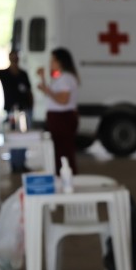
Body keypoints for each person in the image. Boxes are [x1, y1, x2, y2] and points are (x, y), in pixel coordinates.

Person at [36, 47, 79, 175]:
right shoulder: (60, 77)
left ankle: (66, 175)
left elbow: (63, 99)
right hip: (59, 117)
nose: (50, 63)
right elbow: (51, 94)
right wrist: (43, 79)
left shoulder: (65, 78)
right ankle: (63, 174)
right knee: (60, 150)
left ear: (60, 61)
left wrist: (47, 90)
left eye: (53, 60)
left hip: (62, 118)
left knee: (63, 151)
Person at [0, 50, 34, 127]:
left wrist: (31, 107)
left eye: (15, 58)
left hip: (24, 108)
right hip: (10, 108)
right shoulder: (4, 73)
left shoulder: (23, 74)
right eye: (12, 58)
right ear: (9, 59)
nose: (14, 60)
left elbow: (29, 91)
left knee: (24, 128)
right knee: (12, 129)